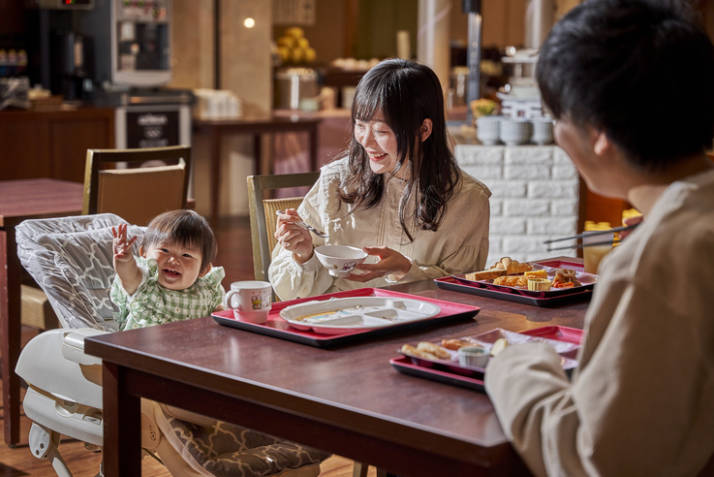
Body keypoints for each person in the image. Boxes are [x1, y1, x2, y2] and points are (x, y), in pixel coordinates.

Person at [484, 1, 714, 475]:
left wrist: (515, 365)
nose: (557, 135)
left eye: (557, 116)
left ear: (599, 133)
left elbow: (596, 459)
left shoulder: (658, 260)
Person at [269, 59, 491, 300]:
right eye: (360, 126)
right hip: (336, 321)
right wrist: (304, 255)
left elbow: (464, 295)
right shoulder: (335, 181)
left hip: (418, 329)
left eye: (381, 131)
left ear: (424, 130)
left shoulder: (468, 200)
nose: (366, 141)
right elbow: (286, 292)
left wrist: (406, 271)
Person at [111, 209, 225, 330]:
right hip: (143, 347)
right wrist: (124, 259)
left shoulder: (207, 291)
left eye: (186, 255)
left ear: (203, 270)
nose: (173, 260)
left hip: (190, 347)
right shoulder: (144, 284)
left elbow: (218, 316)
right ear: (143, 253)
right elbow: (129, 275)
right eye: (164, 250)